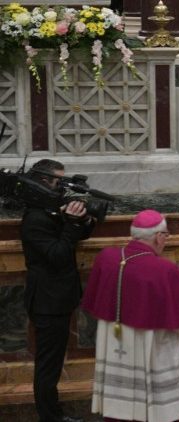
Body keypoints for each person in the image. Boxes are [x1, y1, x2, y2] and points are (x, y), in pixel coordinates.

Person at [81, 210, 179, 422]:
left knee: (120, 397)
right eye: (166, 235)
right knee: (155, 402)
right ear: (158, 236)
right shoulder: (164, 269)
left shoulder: (106, 258)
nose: (165, 240)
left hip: (113, 341)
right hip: (152, 345)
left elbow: (91, 301)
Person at [21, 159, 95, 422]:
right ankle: (50, 419)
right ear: (43, 181)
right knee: (47, 368)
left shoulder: (47, 210)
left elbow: (79, 235)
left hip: (57, 299)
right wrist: (72, 225)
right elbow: (59, 254)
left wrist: (82, 219)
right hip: (47, 302)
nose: (63, 188)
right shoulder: (34, 219)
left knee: (51, 366)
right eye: (58, 181)